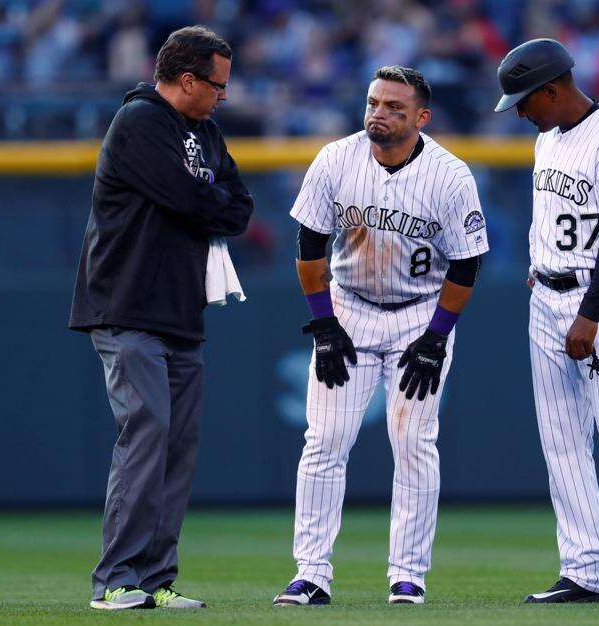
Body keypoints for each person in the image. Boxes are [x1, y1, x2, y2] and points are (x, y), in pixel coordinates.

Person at [273, 65, 488, 606]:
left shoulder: (450, 175)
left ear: (422, 117)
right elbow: (308, 247)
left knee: (414, 443)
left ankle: (408, 575)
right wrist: (323, 324)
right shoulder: (336, 159)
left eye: (394, 107)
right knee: (324, 441)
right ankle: (311, 573)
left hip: (421, 311)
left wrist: (437, 337)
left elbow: (466, 265)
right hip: (347, 306)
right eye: (374, 103)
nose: (379, 114)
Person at [68, 26, 254, 610]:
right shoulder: (141, 121)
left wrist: (208, 198)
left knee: (176, 447)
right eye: (217, 85)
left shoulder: (205, 131)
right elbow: (194, 200)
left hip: (180, 313)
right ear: (188, 79)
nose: (224, 95)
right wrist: (208, 197)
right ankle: (116, 580)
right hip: (126, 307)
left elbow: (238, 206)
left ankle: (154, 580)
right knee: (145, 434)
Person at [495, 39, 599, 604]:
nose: (518, 111)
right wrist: (544, 266)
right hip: (549, 297)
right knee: (562, 442)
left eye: (523, 99)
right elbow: (561, 218)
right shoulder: (547, 138)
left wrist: (587, 315)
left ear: (553, 89)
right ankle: (585, 569)